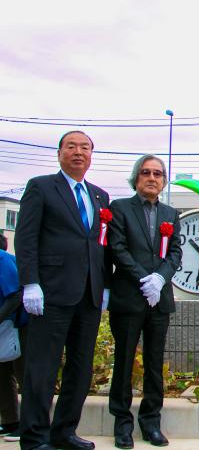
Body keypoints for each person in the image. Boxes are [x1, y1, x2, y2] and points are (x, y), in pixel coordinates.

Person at [15, 130, 111, 450]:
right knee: (42, 368)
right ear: (59, 153)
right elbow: (25, 239)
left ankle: (65, 432)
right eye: (71, 146)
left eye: (85, 148)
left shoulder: (99, 196)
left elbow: (101, 244)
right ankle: (34, 437)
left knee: (80, 368)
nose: (78, 152)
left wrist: (105, 284)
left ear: (91, 156)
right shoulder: (41, 187)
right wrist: (30, 282)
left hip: (89, 294)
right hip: (51, 293)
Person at [108, 155, 182, 449]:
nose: (152, 178)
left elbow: (175, 252)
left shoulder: (170, 213)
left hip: (159, 301)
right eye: (146, 173)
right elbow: (117, 248)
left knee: (154, 364)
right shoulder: (120, 208)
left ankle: (151, 423)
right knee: (124, 362)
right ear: (136, 178)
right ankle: (122, 424)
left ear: (163, 181)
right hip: (129, 299)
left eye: (158, 174)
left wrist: (160, 280)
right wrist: (145, 279)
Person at [0, 233, 25, 443]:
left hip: (20, 324)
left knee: (23, 373)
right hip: (4, 324)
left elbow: (15, 294)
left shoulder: (2, 259)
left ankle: (28, 424)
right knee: (2, 373)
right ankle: (10, 421)